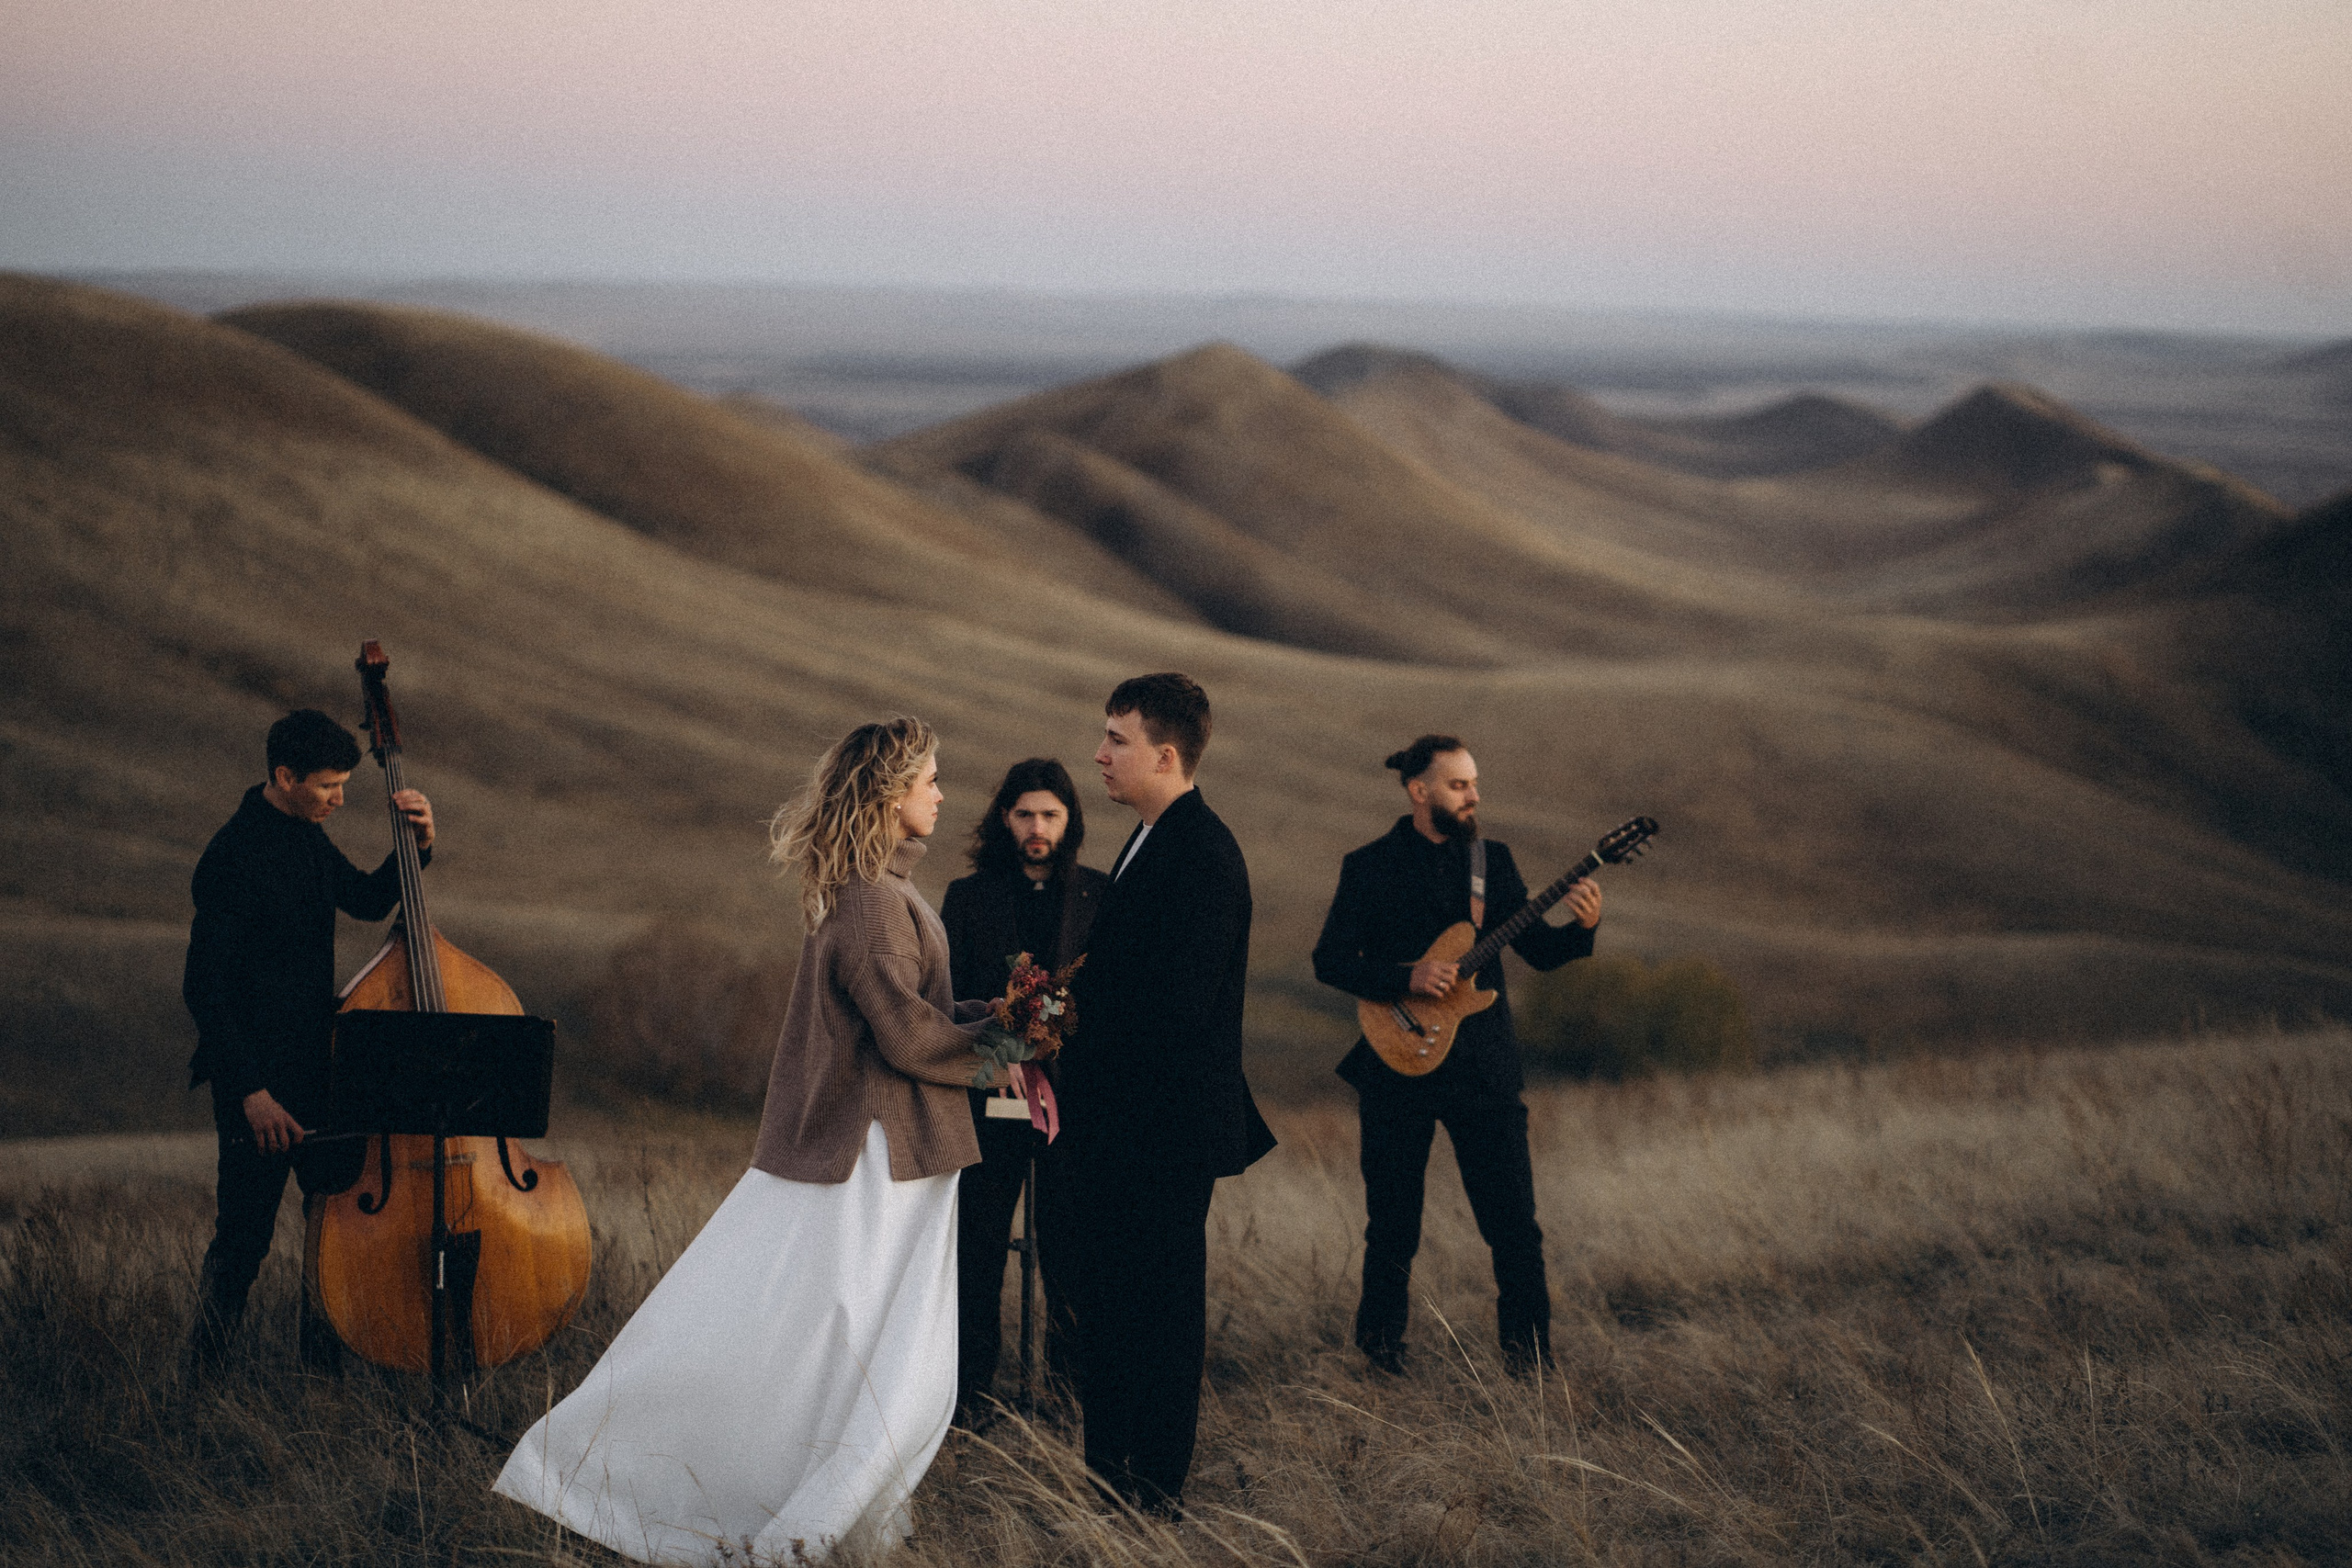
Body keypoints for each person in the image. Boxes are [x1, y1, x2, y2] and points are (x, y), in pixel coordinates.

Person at [494, 717, 1006, 1564]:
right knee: (877, 1357)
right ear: (889, 794)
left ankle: (830, 1518)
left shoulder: (882, 887)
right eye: (930, 779)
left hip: (891, 1145)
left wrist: (999, 1020)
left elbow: (920, 1016)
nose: (942, 794)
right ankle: (783, 1523)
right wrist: (1004, 1048)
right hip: (879, 1152)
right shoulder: (876, 900)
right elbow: (907, 1038)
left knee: (857, 1349)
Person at [1311, 735, 1601, 1377]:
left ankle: (1530, 1365)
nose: (1474, 794)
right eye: (1458, 784)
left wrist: (1582, 928)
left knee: (1515, 1228)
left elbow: (1541, 954)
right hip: (1395, 1064)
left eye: (1473, 782)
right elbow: (1329, 960)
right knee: (1392, 1229)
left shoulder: (1490, 862)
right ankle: (1380, 1360)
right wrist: (1405, 977)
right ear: (1420, 792)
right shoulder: (1369, 865)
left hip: (1483, 1071)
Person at [1055, 672, 1276, 1515]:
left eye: (1116, 738)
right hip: (1121, 1126)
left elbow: (1178, 1007)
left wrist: (1074, 1014)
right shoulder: (1147, 838)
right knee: (1109, 1309)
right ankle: (1107, 1480)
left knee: (1158, 1312)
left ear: (1167, 754)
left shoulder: (1204, 853)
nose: (1099, 754)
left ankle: (1151, 1496)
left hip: (1163, 1132)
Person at [181, 707, 435, 1371]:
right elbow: (204, 991)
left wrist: (417, 843)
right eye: (327, 785)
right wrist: (250, 1095)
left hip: (318, 1072)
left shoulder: (306, 836)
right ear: (284, 775)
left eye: (344, 783)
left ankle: (321, 1377)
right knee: (242, 1241)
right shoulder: (231, 855)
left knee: (335, 1234)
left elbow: (369, 898)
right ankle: (196, 1385)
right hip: (256, 1088)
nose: (340, 798)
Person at [938, 758, 1108, 1425]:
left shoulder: (1101, 895)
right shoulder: (967, 897)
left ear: (1069, 821)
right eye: (1025, 814)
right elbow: (945, 994)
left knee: (1069, 1252)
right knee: (977, 1250)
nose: (1038, 827)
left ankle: (1065, 1398)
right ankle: (969, 1399)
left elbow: (1110, 997)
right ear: (1003, 819)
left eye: (1051, 814)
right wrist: (999, 1040)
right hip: (986, 1098)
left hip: (1073, 1105)